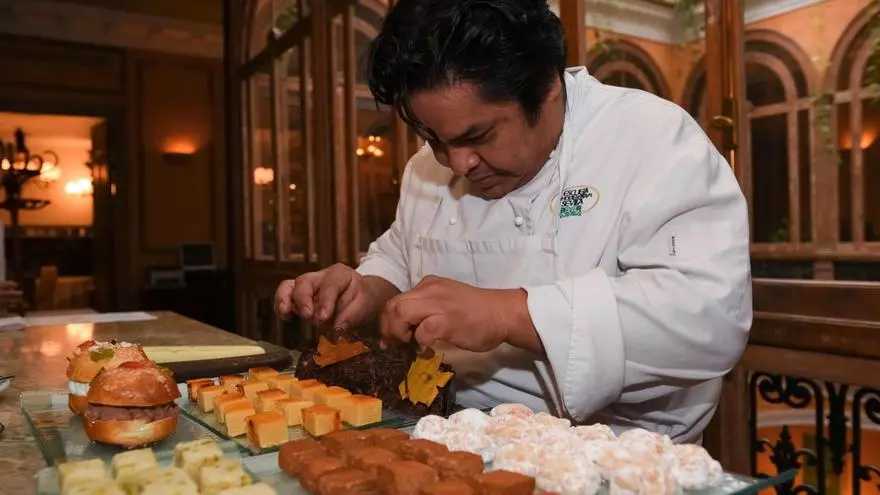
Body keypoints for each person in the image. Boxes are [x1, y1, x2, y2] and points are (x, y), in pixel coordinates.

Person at [275, 0, 751, 443]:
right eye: (433, 137)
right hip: (448, 430)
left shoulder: (648, 137)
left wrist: (507, 314)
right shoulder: (427, 167)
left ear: (546, 85)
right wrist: (367, 289)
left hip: (618, 453)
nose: (457, 163)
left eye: (478, 135)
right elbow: (403, 252)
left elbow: (708, 316)